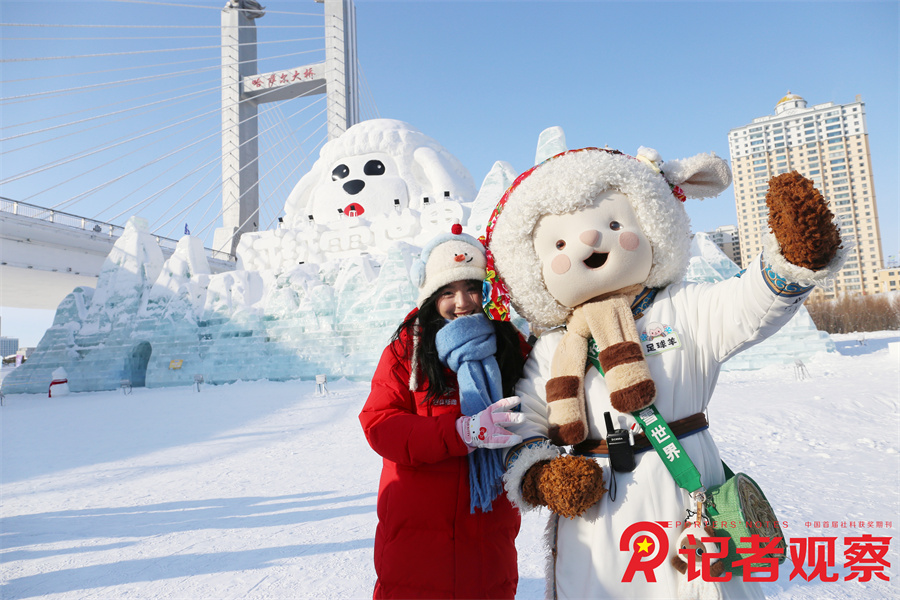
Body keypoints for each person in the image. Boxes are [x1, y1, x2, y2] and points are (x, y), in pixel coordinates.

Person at [359, 223, 530, 599]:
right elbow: (379, 423)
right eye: (448, 291)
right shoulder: (409, 348)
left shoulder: (508, 343)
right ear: (430, 294)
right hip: (416, 528)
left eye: (473, 288)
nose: (463, 302)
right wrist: (460, 433)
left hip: (487, 523)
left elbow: (538, 403)